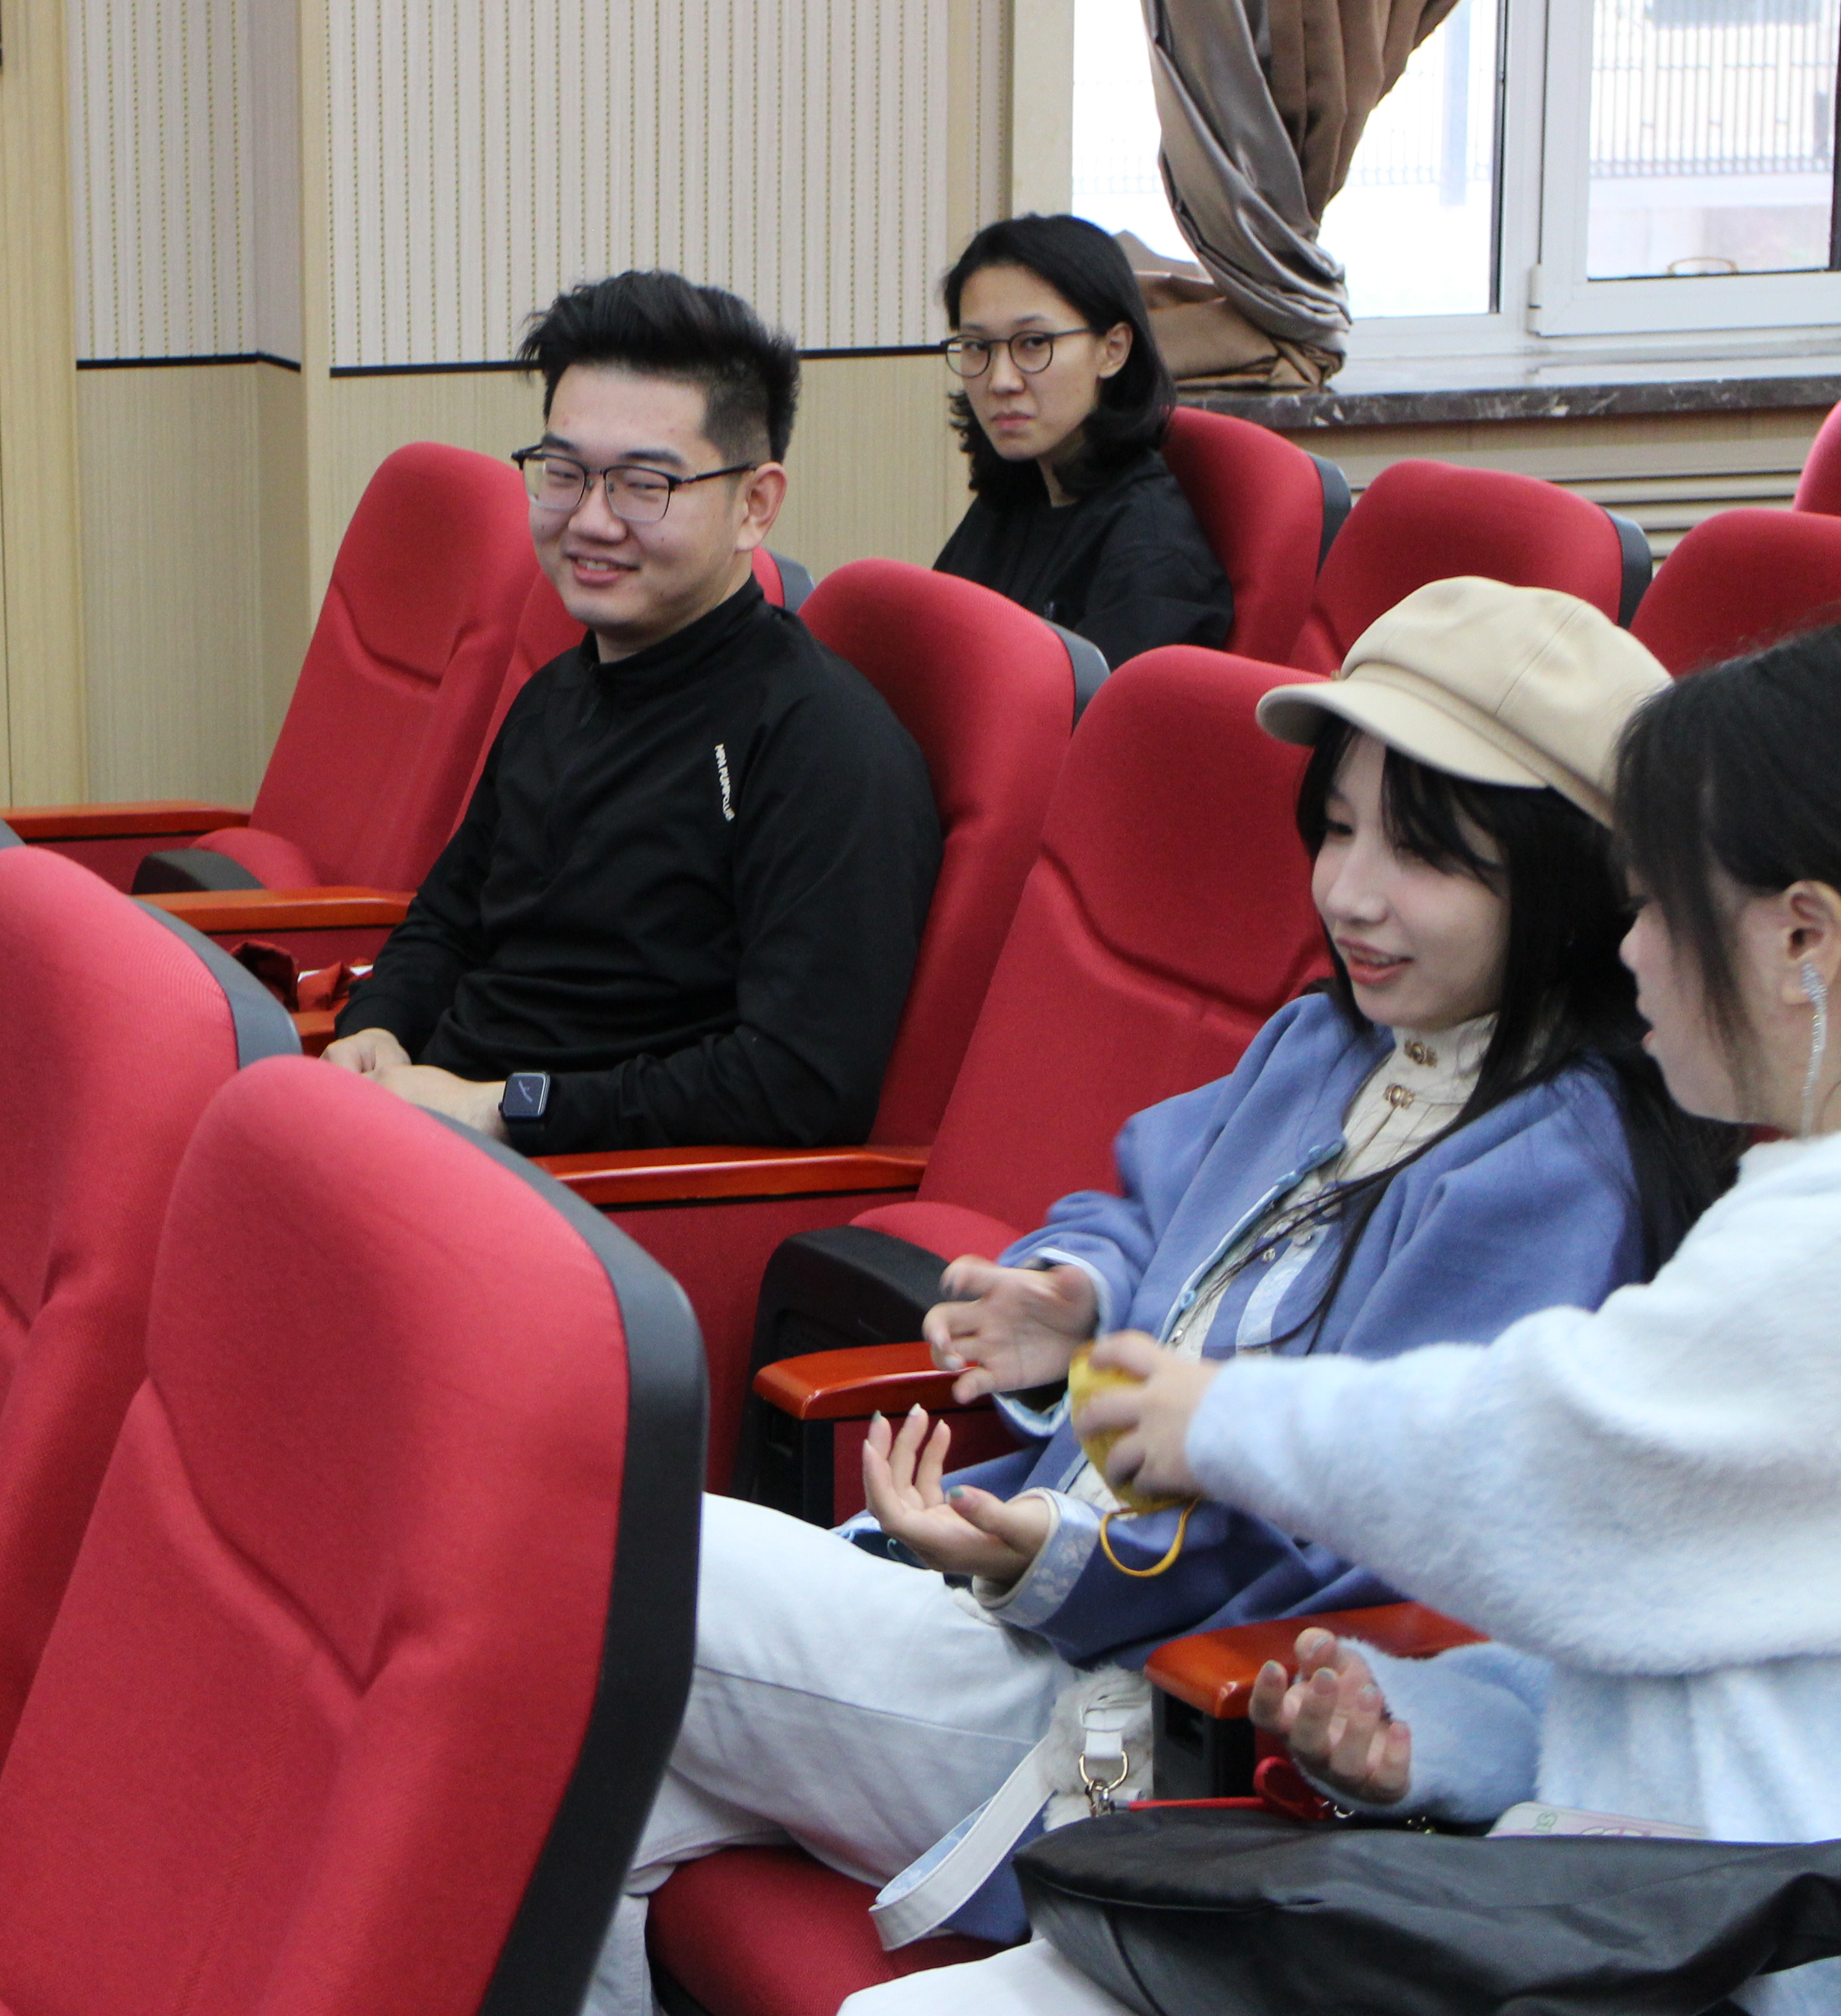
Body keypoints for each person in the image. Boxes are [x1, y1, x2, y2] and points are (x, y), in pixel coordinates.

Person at [589, 580, 1733, 2016]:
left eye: (1424, 856)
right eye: (1336, 829)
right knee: (563, 1789)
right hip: (1025, 1617)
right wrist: (1072, 1296)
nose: (1350, 893)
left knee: (600, 1563)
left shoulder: (1552, 1167)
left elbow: (1365, 1528)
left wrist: (1056, 1557)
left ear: (1564, 882)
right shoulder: (1324, 1044)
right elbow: (1145, 1208)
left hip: (1155, 1716)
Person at [1056, 615, 1841, 2016]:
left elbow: (1547, 1465)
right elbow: (1706, 1606)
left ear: (1803, 936)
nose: (1629, 951)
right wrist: (1444, 1728)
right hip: (1727, 1926)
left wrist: (1218, 1418)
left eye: (1653, 906)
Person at [325, 269, 941, 1152]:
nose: (591, 521)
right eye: (564, 474)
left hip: (588, 1188)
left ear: (755, 505)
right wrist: (377, 1027)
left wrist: (502, 1108)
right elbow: (448, 921)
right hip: (433, 1132)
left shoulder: (822, 743)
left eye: (643, 485)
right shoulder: (559, 690)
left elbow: (799, 1084)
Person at [932, 215, 1229, 667]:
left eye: (1034, 342)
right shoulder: (1017, 492)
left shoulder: (1151, 553)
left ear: (1113, 350)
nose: (1001, 380)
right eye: (977, 347)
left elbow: (1099, 711)